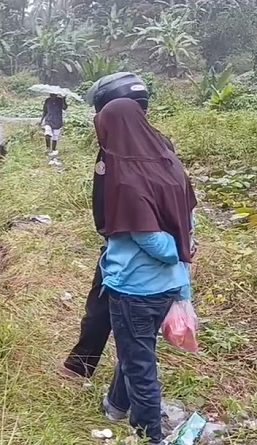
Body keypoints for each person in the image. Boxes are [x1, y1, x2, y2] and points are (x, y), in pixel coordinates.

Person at [93, 97, 197, 444]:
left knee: (140, 365)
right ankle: (115, 405)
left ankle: (149, 435)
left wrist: (175, 250)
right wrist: (183, 253)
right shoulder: (169, 163)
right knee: (135, 348)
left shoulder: (126, 177)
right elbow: (188, 217)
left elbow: (147, 236)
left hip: (136, 288)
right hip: (167, 285)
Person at [62, 72, 154, 379]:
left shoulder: (120, 154)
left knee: (115, 312)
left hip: (133, 244)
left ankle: (102, 376)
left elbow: (118, 210)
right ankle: (89, 369)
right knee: (113, 310)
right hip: (139, 243)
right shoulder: (152, 144)